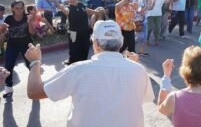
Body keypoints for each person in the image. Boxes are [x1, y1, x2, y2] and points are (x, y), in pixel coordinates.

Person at [25, 20, 154, 127]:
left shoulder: (79, 69)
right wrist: (132, 65)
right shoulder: (139, 70)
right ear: (120, 43)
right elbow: (141, 100)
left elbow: (34, 92)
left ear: (96, 43)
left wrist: (35, 62)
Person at [2, 1, 35, 98]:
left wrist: (29, 22)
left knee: (31, 65)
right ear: (12, 9)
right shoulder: (9, 19)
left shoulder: (27, 17)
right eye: (17, 8)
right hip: (12, 44)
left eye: (21, 8)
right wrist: (3, 28)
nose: (20, 10)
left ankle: (34, 84)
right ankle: (8, 87)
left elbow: (32, 33)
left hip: (26, 44)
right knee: (9, 65)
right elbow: (2, 32)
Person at [59, 0, 96, 65]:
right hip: (73, 32)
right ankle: (72, 62)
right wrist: (62, 8)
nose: (71, 0)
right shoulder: (69, 7)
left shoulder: (81, 5)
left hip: (85, 31)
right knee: (74, 49)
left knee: (85, 47)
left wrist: (96, 12)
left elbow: (87, 10)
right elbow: (66, 12)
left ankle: (83, 62)